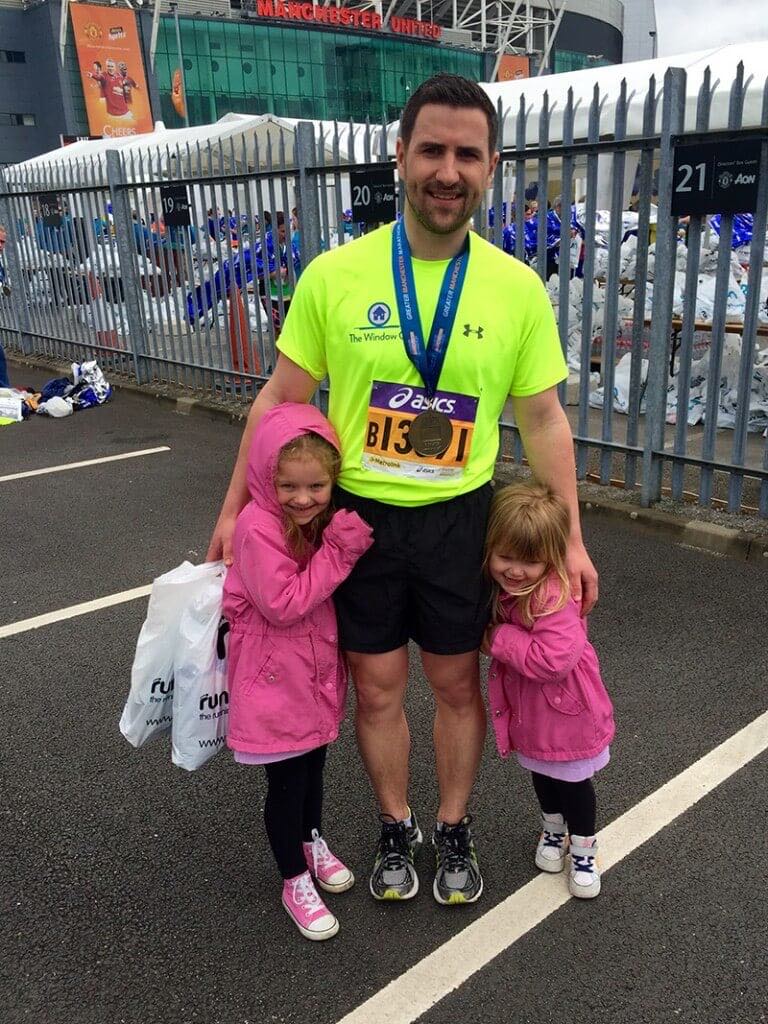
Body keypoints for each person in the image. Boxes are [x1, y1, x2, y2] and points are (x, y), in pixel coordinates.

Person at [207, 73, 597, 908]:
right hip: (359, 522)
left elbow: (543, 418)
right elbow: (279, 401)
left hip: (462, 520)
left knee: (456, 686)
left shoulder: (516, 288)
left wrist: (570, 537)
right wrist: (236, 509)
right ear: (401, 157)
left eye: (467, 155)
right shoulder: (335, 276)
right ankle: (395, 824)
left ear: (492, 166)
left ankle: (453, 827)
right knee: (378, 689)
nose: (447, 172)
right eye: (432, 151)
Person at [222, 402, 374, 939]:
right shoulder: (258, 527)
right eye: (288, 486)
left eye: (317, 487)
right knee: (286, 785)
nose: (303, 498)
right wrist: (339, 552)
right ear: (266, 477)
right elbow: (284, 603)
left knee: (312, 771)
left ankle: (311, 841)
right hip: (274, 682)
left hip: (306, 677)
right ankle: (293, 878)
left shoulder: (302, 522)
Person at [482, 482, 614, 899]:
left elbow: (552, 660)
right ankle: (553, 829)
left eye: (530, 561)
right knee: (542, 771)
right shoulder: (509, 590)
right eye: (505, 557)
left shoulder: (554, 596)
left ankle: (584, 848)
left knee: (573, 782)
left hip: (569, 712)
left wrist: (496, 637)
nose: (515, 570)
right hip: (535, 711)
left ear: (551, 557)